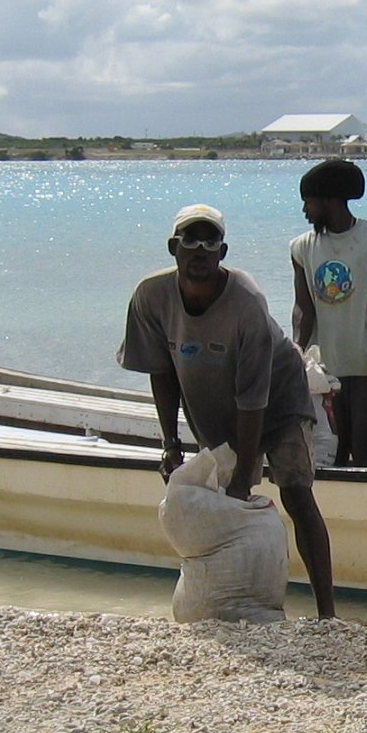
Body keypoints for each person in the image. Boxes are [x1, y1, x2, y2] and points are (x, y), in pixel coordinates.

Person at [120, 203, 337, 618]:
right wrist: (170, 444)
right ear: (173, 248)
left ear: (223, 250)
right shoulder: (151, 297)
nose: (200, 249)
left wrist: (243, 474)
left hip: (279, 399)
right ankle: (230, 605)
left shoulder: (246, 300)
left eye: (210, 241)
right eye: (190, 240)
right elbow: (161, 374)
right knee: (222, 497)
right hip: (213, 403)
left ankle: (327, 614)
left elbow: (254, 396)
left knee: (295, 490)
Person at [289, 158, 367, 468]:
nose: (305, 211)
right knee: (328, 455)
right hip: (323, 374)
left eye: (309, 202)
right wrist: (296, 354)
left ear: (330, 200)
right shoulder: (302, 247)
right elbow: (304, 307)